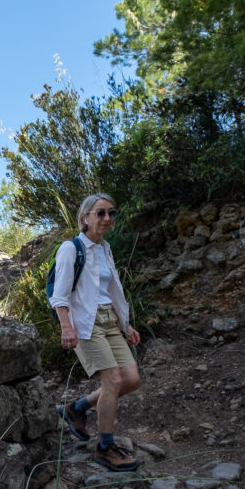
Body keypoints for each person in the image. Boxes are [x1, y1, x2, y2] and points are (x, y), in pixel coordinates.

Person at [48, 192, 142, 471]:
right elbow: (60, 294)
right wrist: (66, 327)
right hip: (85, 323)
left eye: (111, 213)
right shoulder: (71, 248)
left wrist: (126, 324)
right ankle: (105, 448)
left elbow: (110, 291)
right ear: (84, 219)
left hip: (110, 321)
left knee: (131, 379)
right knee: (112, 380)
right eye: (100, 213)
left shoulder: (105, 249)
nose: (107, 218)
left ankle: (76, 408)